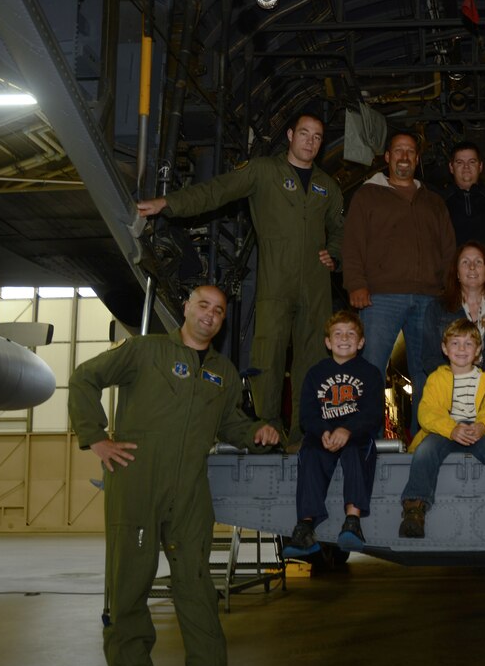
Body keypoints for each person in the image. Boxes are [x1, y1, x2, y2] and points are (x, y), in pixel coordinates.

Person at [68, 286, 281, 666]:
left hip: (189, 490)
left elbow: (230, 425)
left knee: (197, 586)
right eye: (203, 305)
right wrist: (96, 437)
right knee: (130, 585)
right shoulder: (145, 351)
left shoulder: (222, 371)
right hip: (137, 481)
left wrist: (257, 433)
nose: (210, 315)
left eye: (219, 310)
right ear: (185, 307)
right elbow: (83, 378)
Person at [137, 113, 344, 449]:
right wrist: (168, 203)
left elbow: (339, 228)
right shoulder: (264, 171)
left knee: (314, 359)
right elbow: (218, 190)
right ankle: (268, 430)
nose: (310, 141)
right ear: (290, 135)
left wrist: (333, 253)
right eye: (304, 133)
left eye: (318, 137)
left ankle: (306, 433)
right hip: (276, 281)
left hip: (316, 286)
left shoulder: (327, 185)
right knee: (268, 355)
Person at [342, 130, 456, 434]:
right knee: (371, 370)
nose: (404, 157)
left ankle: (427, 439)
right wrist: (356, 283)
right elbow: (352, 242)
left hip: (429, 298)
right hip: (380, 296)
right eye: (398, 151)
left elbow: (448, 250)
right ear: (388, 158)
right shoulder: (367, 195)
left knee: (428, 373)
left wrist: (448, 291)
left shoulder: (433, 201)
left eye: (410, 152)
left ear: (417, 160)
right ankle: (370, 440)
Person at [398, 318, 485, 539]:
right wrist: (451, 428)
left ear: (478, 351)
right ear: (444, 348)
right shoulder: (436, 379)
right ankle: (414, 508)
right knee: (425, 450)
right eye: (455, 343)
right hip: (445, 430)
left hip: (479, 430)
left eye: (469, 344)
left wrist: (482, 425)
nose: (461, 349)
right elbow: (427, 412)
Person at [283, 310, 384, 558]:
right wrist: (324, 431)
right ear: (328, 342)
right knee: (309, 454)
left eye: (351, 334)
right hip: (323, 434)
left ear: (361, 343)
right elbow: (307, 415)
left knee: (355, 452)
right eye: (337, 333)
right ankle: (305, 527)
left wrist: (347, 430)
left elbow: (373, 413)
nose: (344, 338)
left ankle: (352, 522)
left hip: (356, 434)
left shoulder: (370, 373)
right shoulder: (316, 373)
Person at [422, 240, 485, 412]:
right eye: (465, 262)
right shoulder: (437, 308)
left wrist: (479, 369)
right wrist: (461, 372)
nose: (472, 267)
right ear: (457, 273)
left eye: (478, 262)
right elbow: (429, 358)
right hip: (452, 378)